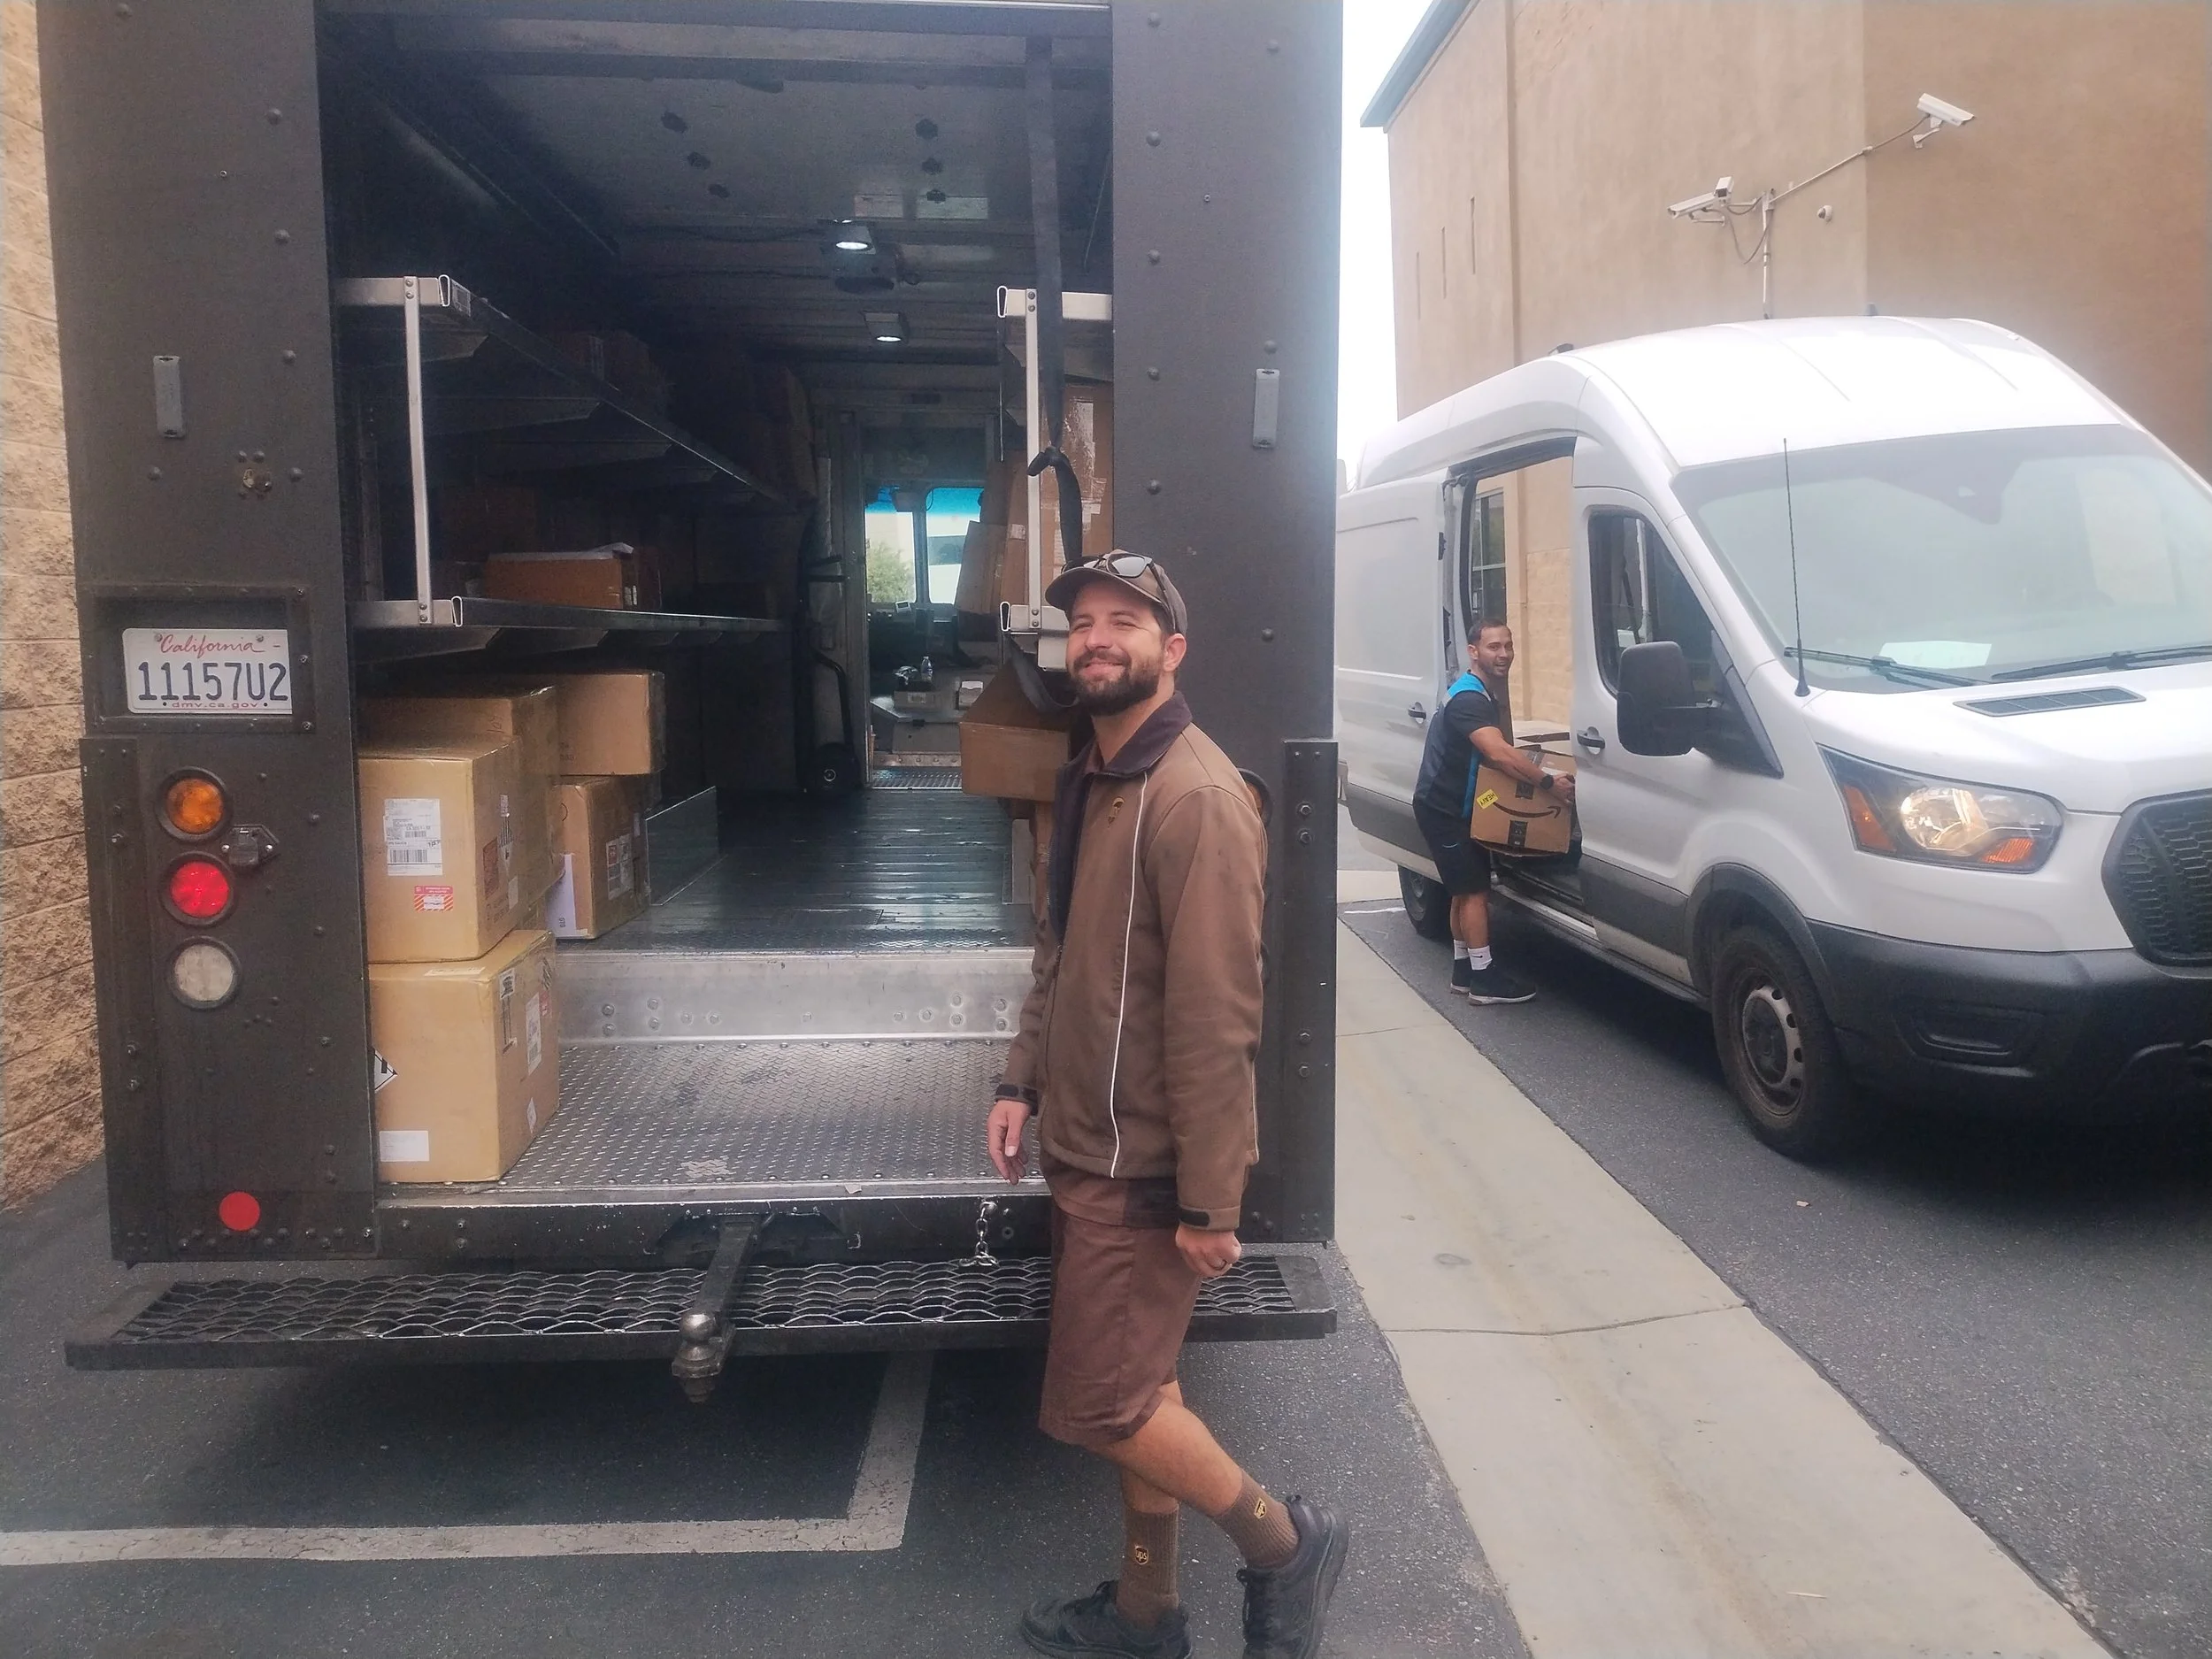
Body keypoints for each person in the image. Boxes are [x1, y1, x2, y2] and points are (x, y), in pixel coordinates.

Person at [987, 552, 1347, 1659]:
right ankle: (1145, 1617)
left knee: (1104, 1407)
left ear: (1172, 650)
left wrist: (1208, 1201)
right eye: (1083, 622)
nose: (1097, 639)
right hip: (1083, 1141)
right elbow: (1059, 952)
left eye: (1125, 622)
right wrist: (1019, 1077)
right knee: (1144, 1384)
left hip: (1139, 1167)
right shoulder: (1094, 773)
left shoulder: (1196, 798)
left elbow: (1216, 1017)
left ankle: (1285, 1546)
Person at [1411, 618, 1575, 1004]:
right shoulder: (1469, 699)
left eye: (1508, 646)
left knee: (1461, 891)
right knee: (1474, 893)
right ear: (1473, 652)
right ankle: (1484, 979)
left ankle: (1463, 970)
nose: (1503, 654)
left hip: (1450, 806)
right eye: (1493, 647)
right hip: (1444, 809)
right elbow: (1498, 752)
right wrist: (1548, 783)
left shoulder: (1478, 692)